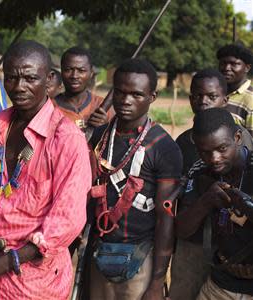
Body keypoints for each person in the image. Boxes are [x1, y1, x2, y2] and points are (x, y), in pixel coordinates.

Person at [0, 40, 91, 299]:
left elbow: (66, 221)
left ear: (48, 80)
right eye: (12, 78)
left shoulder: (66, 138)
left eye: (30, 78)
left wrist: (1, 265)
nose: (19, 87)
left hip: (35, 283)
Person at [88, 58, 182, 300]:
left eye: (136, 94)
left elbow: (166, 219)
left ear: (153, 96)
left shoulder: (163, 147)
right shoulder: (99, 135)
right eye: (119, 92)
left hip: (140, 258)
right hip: (98, 249)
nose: (126, 100)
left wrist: (156, 283)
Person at [171, 68, 253, 300]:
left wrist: (245, 205)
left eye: (222, 149)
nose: (214, 158)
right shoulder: (200, 172)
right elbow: (182, 229)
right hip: (222, 280)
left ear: (237, 138)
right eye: (205, 152)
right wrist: (206, 201)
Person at [176, 68, 253, 175]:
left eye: (212, 97)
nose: (203, 102)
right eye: (198, 96)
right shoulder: (183, 140)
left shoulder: (240, 135)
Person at [53, 47, 109, 130]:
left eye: (81, 71)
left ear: (91, 73)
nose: (74, 76)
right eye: (68, 70)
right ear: (61, 72)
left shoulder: (102, 106)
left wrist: (105, 128)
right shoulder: (50, 107)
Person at [217, 43, 253, 135]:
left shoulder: (250, 100)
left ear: (247, 68)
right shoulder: (215, 93)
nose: (227, 68)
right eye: (223, 63)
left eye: (234, 64)